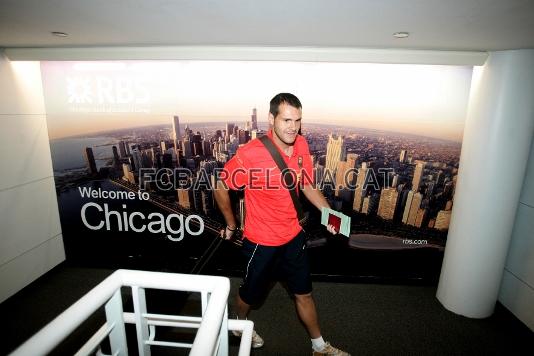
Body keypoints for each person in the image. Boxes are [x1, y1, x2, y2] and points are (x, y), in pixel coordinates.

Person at [214, 93, 350, 356]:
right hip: (261, 242)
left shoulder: (301, 145)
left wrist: (329, 214)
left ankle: (319, 346)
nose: (293, 127)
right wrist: (231, 224)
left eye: (297, 120)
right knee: (249, 295)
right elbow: (221, 188)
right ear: (271, 119)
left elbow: (307, 184)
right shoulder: (251, 153)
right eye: (287, 120)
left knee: (304, 293)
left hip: (293, 237)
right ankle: (238, 324)